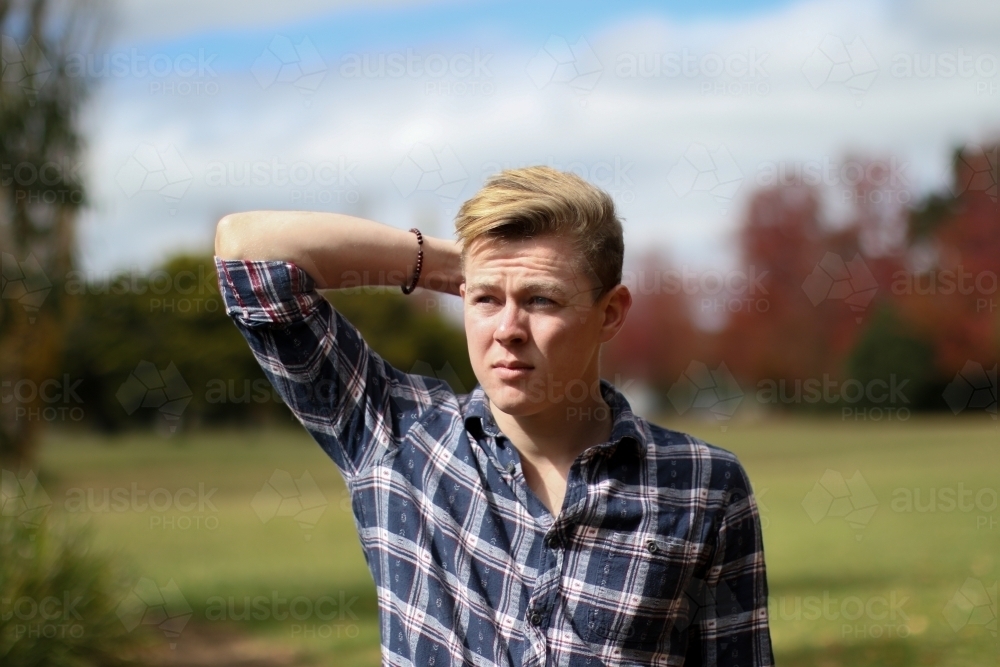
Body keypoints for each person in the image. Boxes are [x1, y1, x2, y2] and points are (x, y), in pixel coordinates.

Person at [214, 166, 773, 666]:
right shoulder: (396, 435)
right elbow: (246, 252)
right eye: (484, 300)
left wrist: (493, 274)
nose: (507, 329)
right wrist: (453, 262)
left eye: (541, 299)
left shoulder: (704, 486)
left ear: (610, 312)